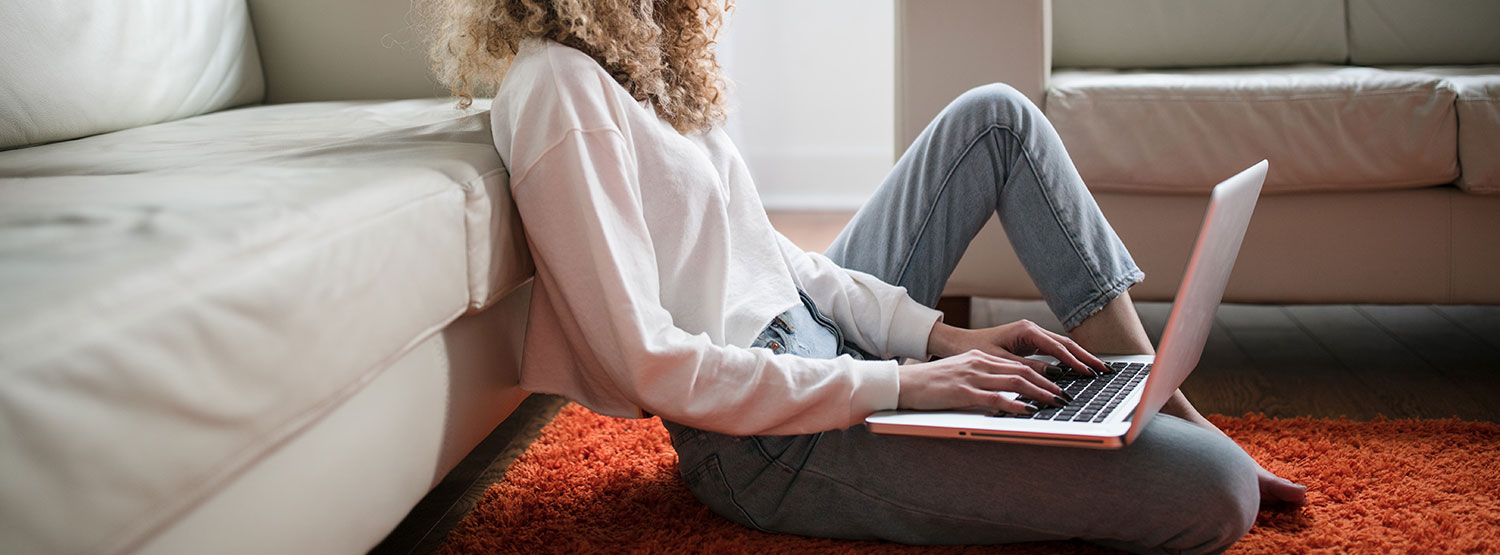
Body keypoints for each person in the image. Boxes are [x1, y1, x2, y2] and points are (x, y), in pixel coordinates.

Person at [423, 1, 1307, 552]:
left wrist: (940, 339)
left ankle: (1161, 395)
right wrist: (902, 384)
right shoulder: (559, 92)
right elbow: (647, 363)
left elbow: (779, 259)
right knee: (1214, 492)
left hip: (818, 347)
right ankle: (1169, 431)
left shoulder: (638, 67)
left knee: (996, 118)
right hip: (766, 442)